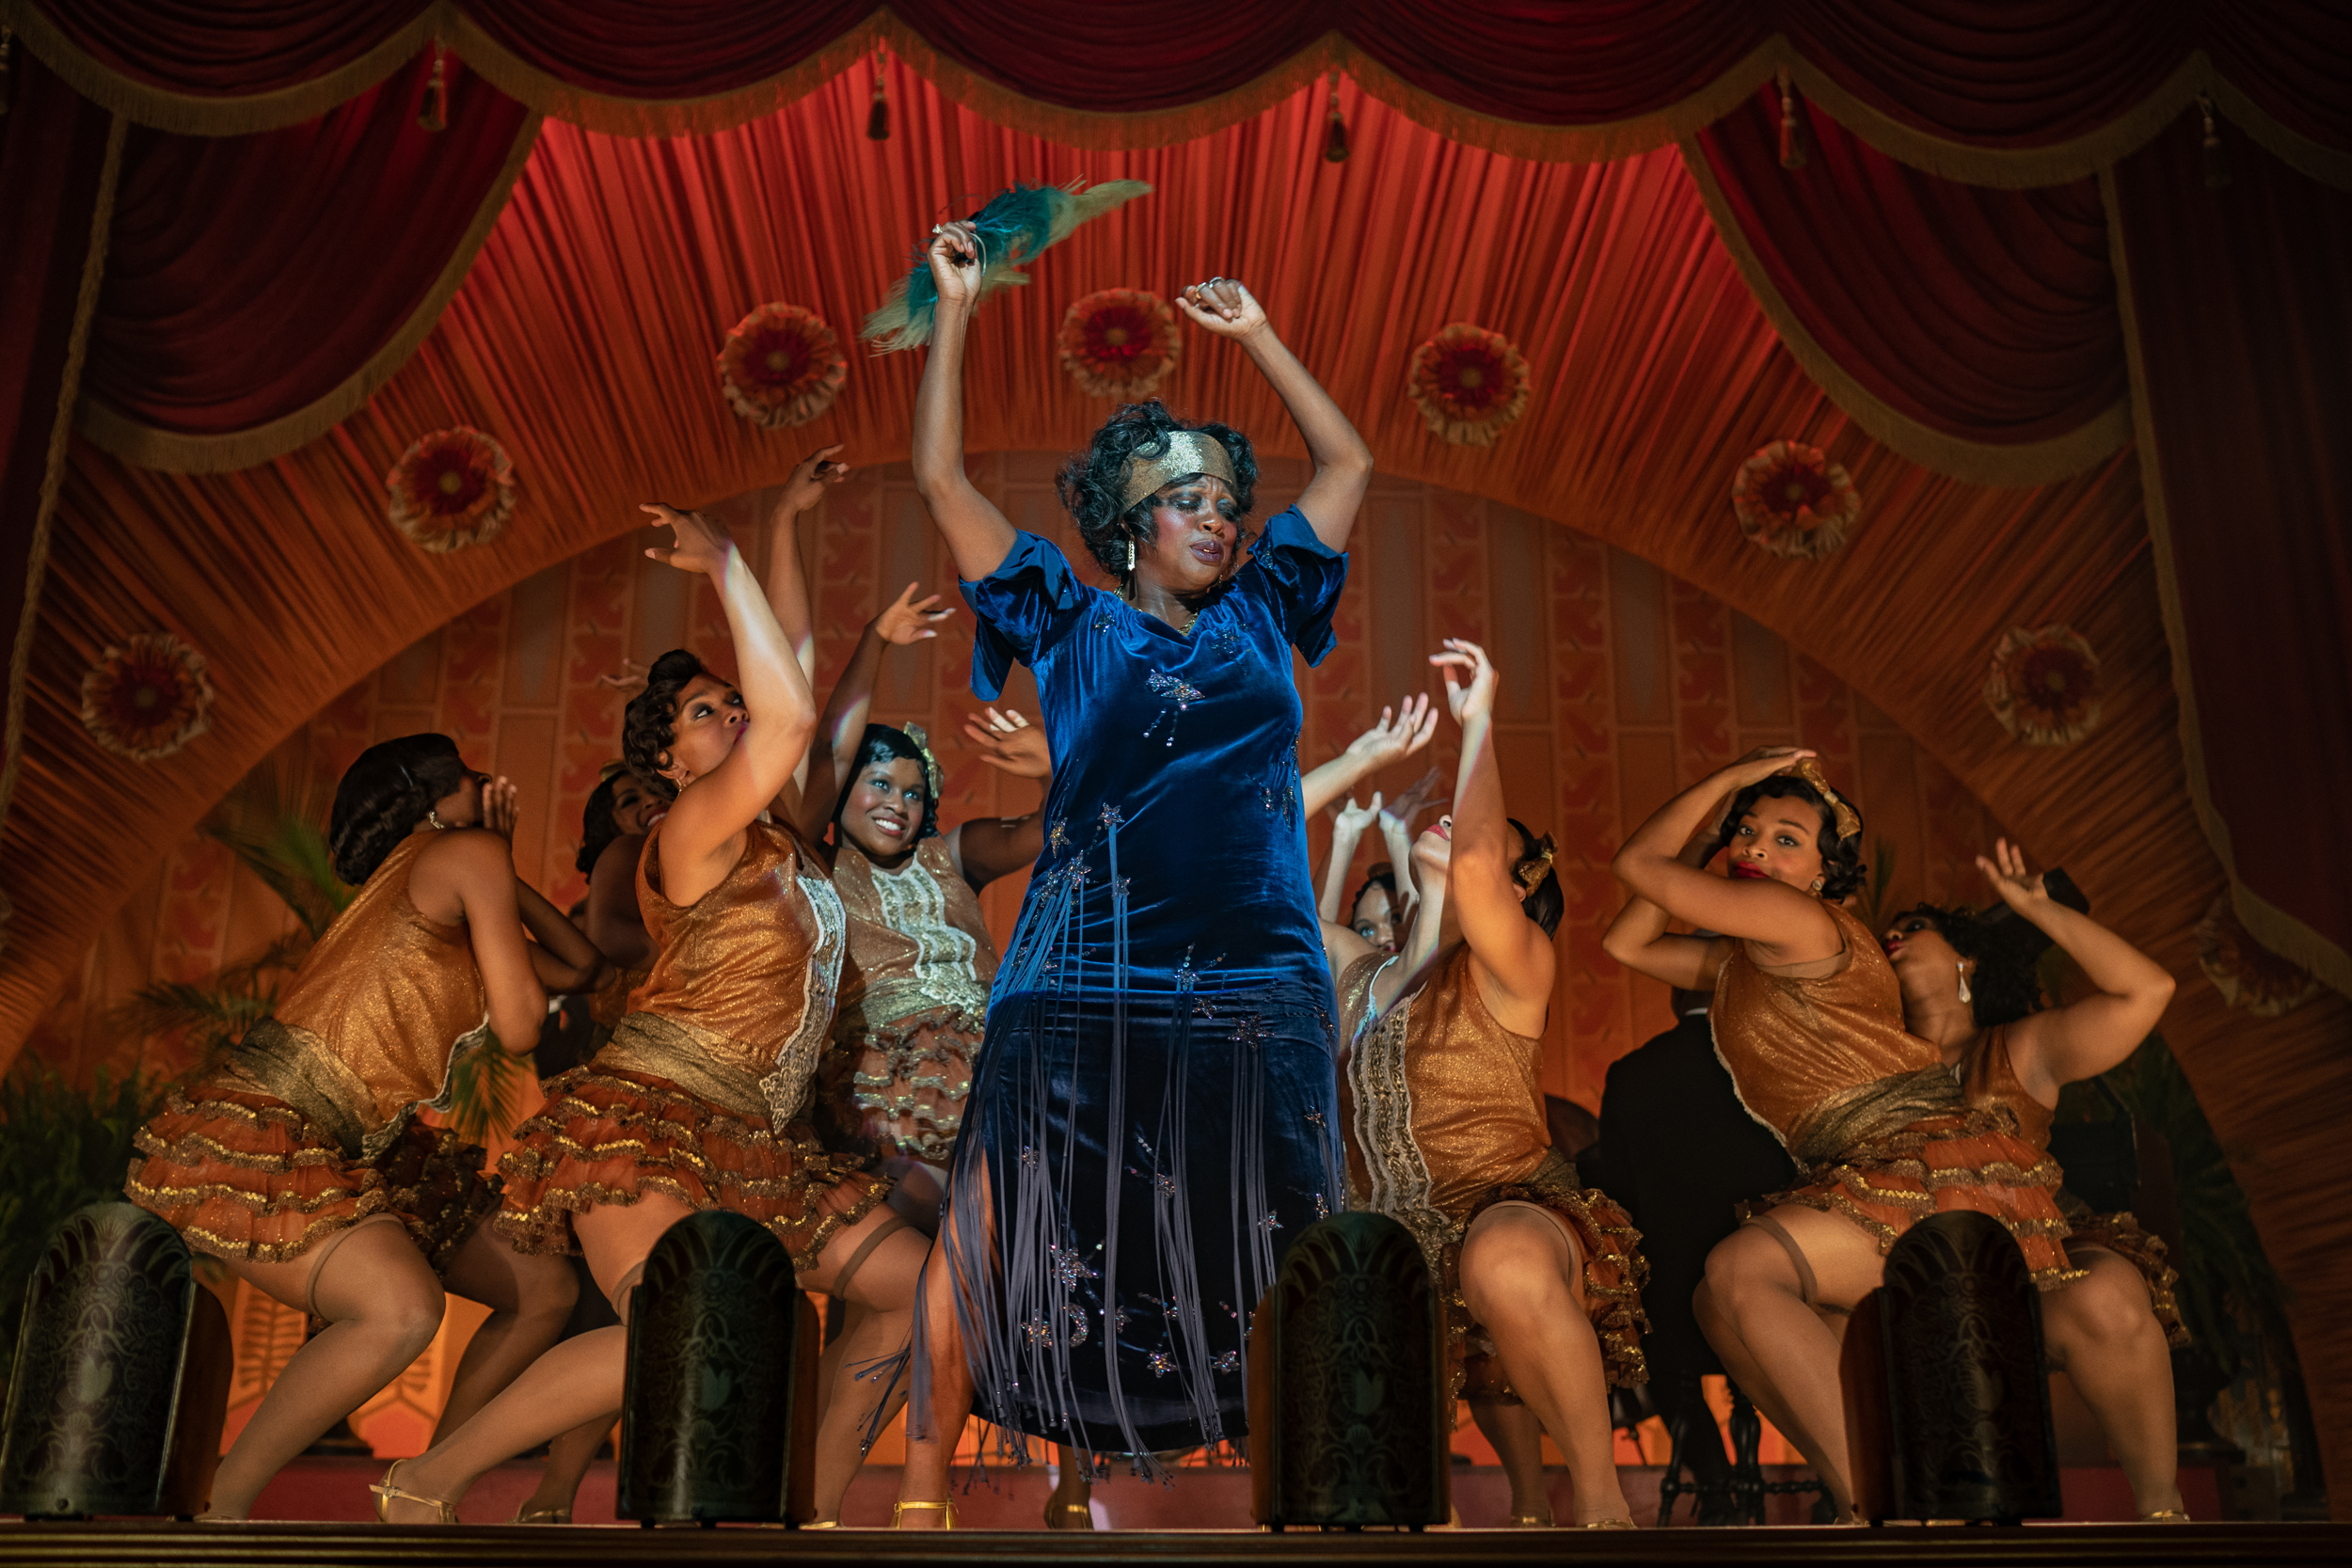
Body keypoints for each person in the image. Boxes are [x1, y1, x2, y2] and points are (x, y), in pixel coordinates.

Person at [893, 227, 1373, 1527]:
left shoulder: (1268, 609)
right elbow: (936, 471)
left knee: (1268, 1243)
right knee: (1006, 1225)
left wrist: (1262, 335)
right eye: (1187, 499)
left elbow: (1350, 461)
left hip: (1257, 980)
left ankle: (1303, 1485)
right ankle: (925, 1493)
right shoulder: (1063, 611)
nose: (1216, 518)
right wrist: (958, 309)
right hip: (1083, 972)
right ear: (1125, 523)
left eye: (1227, 499)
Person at [375, 453, 929, 1528]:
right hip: (650, 1116)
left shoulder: (786, 838)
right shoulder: (690, 829)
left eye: (731, 701)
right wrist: (725, 560)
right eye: (705, 712)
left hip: (763, 1138)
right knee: (669, 1327)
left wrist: (783, 525)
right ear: (670, 761)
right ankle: (429, 1476)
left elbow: (802, 685)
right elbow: (787, 714)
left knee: (919, 1286)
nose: (732, 714)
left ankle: (807, 1510)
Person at [123, 736, 598, 1519]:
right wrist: (489, 860)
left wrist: (500, 872)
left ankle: (419, 1484)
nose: (491, 787)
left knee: (542, 1286)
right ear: (446, 797)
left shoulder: (454, 868)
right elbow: (521, 1029)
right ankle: (219, 1505)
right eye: (480, 779)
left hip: (360, 1144)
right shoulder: (458, 855)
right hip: (280, 1125)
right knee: (402, 1309)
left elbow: (580, 969)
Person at [1601, 752, 2073, 1518]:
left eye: (1787, 839)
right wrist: (1711, 834)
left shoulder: (1800, 919)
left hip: (1924, 1161)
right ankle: (1866, 1497)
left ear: (1825, 873)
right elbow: (1628, 942)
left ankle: (1886, 1504)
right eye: (1746, 833)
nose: (1755, 848)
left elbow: (1635, 865)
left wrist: (1728, 782)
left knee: (1740, 1270)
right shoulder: (1741, 959)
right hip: (1858, 1170)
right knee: (1719, 1310)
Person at [1323, 640, 1645, 1529]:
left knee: (1496, 1258)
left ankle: (1603, 1505)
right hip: (1386, 1231)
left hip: (1507, 1206)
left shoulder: (1515, 968)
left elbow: (1470, 869)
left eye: (1490, 839)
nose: (1459, 834)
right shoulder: (1360, 968)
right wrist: (1351, 775)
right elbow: (1257, 877)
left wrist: (1481, 725)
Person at [1883, 842, 2185, 1520]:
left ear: (1968, 961)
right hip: (1905, 1270)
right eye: (1887, 934)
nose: (1892, 936)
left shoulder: (2020, 1045)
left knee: (2106, 1289)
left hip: (2030, 1268)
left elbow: (2149, 991)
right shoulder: (1868, 1070)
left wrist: (2038, 910)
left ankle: (2164, 1513)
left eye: (1913, 927)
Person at [795, 587, 1052, 1230]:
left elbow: (1049, 832)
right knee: (908, 1253)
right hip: (887, 1084)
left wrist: (1052, 766)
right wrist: (875, 639)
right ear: (842, 791)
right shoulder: (821, 866)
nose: (898, 803)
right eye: (879, 782)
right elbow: (824, 750)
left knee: (997, 1263)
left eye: (913, 792)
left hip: (996, 1074)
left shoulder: (951, 854)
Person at [1597, 983, 1796, 1525]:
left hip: (1674, 1306)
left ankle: (1713, 1484)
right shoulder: (1775, 1061)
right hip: (1771, 1298)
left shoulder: (1633, 1073)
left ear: (1673, 998)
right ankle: (1834, 1480)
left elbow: (1614, 1191)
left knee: (1650, 1346)